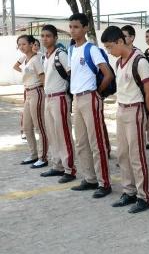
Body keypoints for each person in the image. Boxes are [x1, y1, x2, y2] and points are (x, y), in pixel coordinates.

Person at [101, 26, 149, 213]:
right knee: (123, 154)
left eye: (110, 47)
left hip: (135, 110)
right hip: (121, 109)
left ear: (120, 42)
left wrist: (148, 116)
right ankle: (129, 191)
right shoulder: (118, 63)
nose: (109, 51)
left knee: (137, 155)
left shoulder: (139, 61)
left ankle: (143, 196)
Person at [68, 13, 113, 198]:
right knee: (81, 142)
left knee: (97, 142)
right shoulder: (72, 50)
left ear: (86, 28)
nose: (72, 30)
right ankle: (89, 178)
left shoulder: (91, 49)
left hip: (90, 97)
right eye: (70, 27)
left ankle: (104, 183)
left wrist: (97, 92)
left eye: (76, 27)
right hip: (77, 99)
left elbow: (108, 74)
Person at [40, 24, 76, 183]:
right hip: (48, 98)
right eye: (42, 36)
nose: (44, 38)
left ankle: (69, 169)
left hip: (60, 98)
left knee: (63, 134)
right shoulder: (45, 56)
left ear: (55, 38)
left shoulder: (60, 54)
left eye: (48, 36)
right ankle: (57, 165)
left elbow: (71, 73)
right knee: (52, 134)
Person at [13, 34, 48, 168]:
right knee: (26, 127)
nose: (21, 47)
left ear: (31, 44)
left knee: (39, 126)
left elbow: (42, 77)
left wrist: (45, 93)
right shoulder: (25, 59)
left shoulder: (36, 59)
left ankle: (43, 157)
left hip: (37, 92)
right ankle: (33, 154)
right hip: (27, 93)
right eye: (19, 44)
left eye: (24, 44)